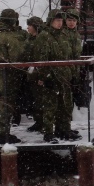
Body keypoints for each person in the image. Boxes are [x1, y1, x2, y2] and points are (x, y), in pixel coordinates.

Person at [0, 8, 27, 145]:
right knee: (6, 106)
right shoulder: (10, 37)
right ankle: (4, 135)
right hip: (8, 75)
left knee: (2, 105)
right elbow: (17, 56)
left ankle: (3, 133)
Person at [28, 9, 67, 143]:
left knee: (62, 105)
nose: (60, 23)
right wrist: (44, 77)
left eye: (61, 20)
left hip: (61, 75)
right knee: (49, 106)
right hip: (50, 75)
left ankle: (61, 130)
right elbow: (41, 58)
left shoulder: (62, 35)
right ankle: (48, 133)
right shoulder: (44, 36)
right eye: (57, 20)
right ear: (51, 21)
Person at [57, 10, 83, 140]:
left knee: (69, 101)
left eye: (74, 20)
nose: (71, 23)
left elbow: (76, 54)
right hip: (65, 71)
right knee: (64, 101)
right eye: (69, 20)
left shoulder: (76, 34)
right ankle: (63, 128)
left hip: (73, 70)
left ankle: (66, 127)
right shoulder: (63, 34)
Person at [22, 16, 45, 132]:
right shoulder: (29, 39)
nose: (28, 28)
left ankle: (44, 122)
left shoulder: (42, 39)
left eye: (30, 25)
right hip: (31, 73)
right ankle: (38, 121)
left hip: (39, 72)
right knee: (35, 99)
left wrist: (41, 75)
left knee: (41, 99)